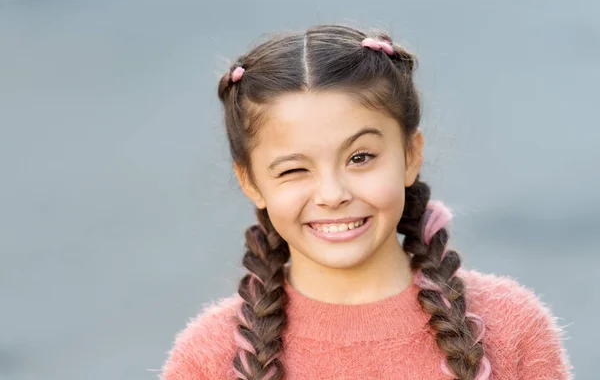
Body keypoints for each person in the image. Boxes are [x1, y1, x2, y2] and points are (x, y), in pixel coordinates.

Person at [159, 25, 573, 379]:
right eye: (293, 170)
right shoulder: (209, 357)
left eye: (360, 158)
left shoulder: (511, 325)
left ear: (411, 156)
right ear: (250, 182)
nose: (333, 194)